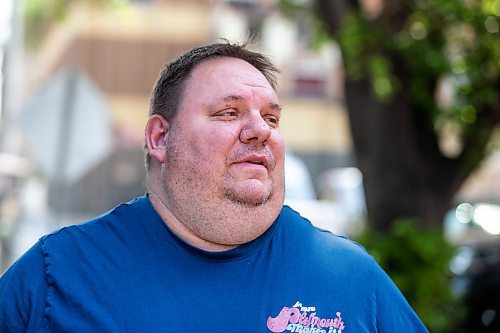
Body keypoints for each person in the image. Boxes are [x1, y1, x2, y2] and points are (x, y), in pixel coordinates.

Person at [0, 41, 429, 332]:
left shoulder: (352, 278)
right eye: (229, 112)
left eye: (272, 117)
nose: (259, 130)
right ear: (160, 138)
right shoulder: (55, 276)